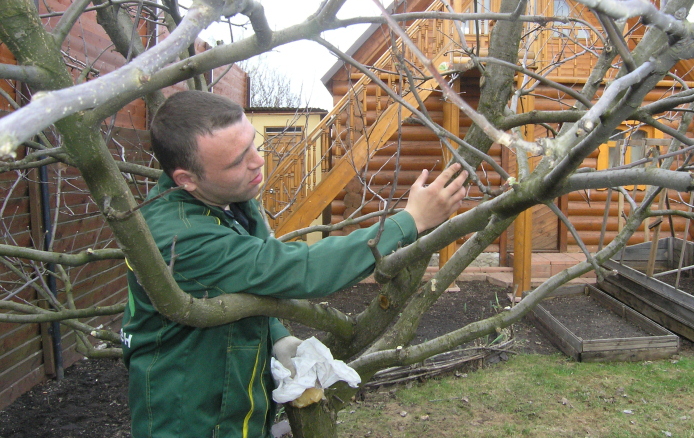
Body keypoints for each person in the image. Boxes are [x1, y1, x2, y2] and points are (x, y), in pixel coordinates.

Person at [121, 90, 468, 438]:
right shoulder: (180, 238)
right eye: (237, 161)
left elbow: (247, 283)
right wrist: (409, 221)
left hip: (234, 406)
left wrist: (278, 337)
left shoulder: (230, 200)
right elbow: (299, 268)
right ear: (186, 179)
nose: (258, 162)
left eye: (252, 145)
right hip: (190, 420)